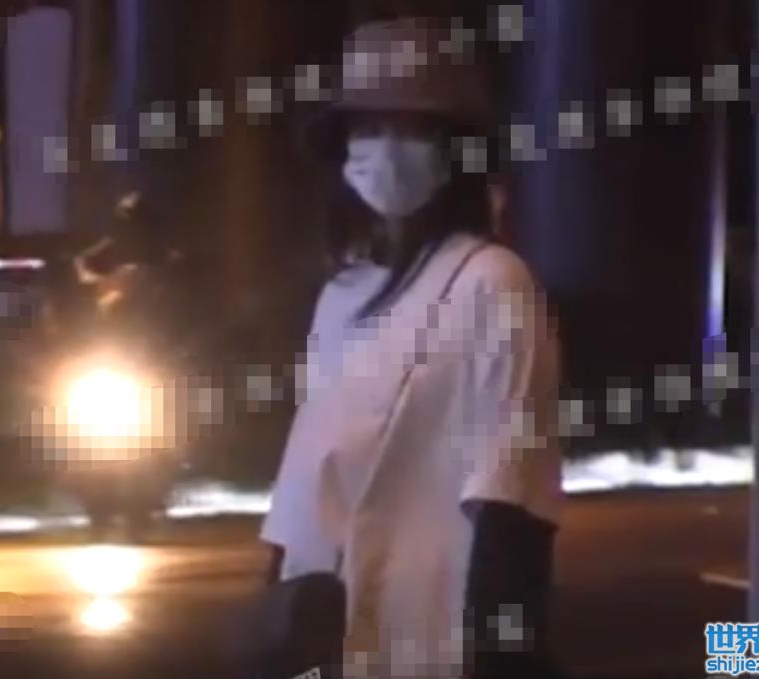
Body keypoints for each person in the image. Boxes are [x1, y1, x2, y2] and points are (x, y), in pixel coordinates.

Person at [260, 17, 563, 679]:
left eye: (412, 128)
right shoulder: (342, 295)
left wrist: (502, 650)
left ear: (457, 148)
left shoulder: (493, 281)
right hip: (328, 635)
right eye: (367, 127)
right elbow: (301, 489)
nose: (386, 149)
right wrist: (276, 628)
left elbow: (512, 493)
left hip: (436, 633)